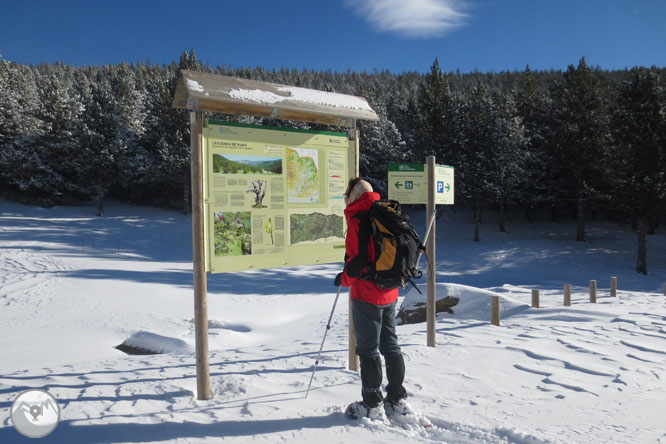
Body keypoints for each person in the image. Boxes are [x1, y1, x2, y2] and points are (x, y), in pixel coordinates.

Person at [335, 177, 411, 420]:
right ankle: (397, 399)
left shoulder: (359, 218)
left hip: (367, 294)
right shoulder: (385, 212)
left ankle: (371, 404)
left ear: (352, 195)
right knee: (391, 345)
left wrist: (343, 279)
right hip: (390, 291)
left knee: (368, 349)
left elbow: (356, 264)